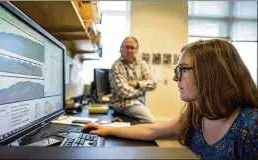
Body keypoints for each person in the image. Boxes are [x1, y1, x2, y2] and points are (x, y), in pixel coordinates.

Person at [84, 39, 258, 159]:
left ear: (209, 74)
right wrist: (107, 130)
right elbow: (152, 131)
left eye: (182, 69)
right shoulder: (198, 114)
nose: (176, 78)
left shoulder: (250, 126)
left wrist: (136, 85)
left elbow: (150, 85)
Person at [108, 36, 157, 124]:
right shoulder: (116, 66)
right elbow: (123, 92)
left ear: (136, 50)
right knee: (151, 122)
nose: (129, 50)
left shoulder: (142, 64)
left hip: (140, 102)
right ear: (120, 49)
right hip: (123, 104)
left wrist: (137, 84)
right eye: (127, 47)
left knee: (147, 123)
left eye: (132, 48)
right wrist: (142, 90)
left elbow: (153, 84)